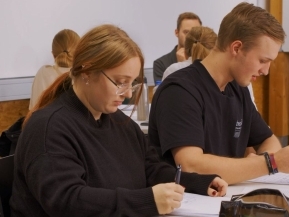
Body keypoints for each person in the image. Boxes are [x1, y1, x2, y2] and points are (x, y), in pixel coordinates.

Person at [10, 24, 227, 217]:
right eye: (120, 82)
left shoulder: (117, 121)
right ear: (86, 71)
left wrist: (195, 182)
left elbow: (150, 169)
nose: (128, 94)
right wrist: (147, 201)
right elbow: (67, 201)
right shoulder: (48, 128)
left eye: (131, 83)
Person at [148, 2, 289, 185]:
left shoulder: (238, 89)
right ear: (236, 48)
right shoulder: (180, 91)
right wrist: (270, 163)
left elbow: (268, 141)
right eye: (262, 60)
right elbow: (191, 165)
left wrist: (261, 163)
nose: (266, 71)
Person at [161, 26, 257, 109]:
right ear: (217, 48)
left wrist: (181, 65)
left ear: (185, 52)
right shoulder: (240, 74)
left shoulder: (173, 71)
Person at [29, 29, 80, 110]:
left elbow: (33, 111)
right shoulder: (83, 77)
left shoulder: (42, 73)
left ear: (53, 54)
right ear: (79, 54)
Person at [153, 12, 201, 83]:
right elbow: (165, 92)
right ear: (177, 32)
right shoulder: (161, 64)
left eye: (195, 33)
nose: (191, 37)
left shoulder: (205, 60)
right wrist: (180, 67)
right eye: (186, 32)